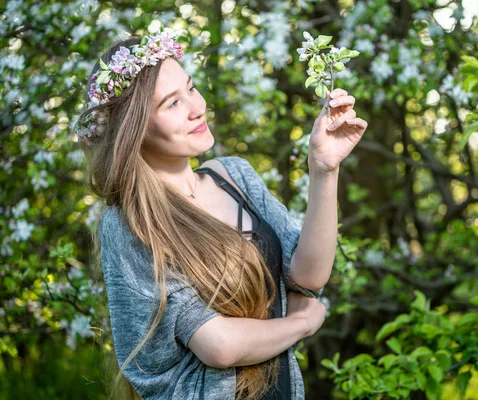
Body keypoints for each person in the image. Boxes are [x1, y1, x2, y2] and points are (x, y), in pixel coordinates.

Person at [77, 29, 368, 399]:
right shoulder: (129, 222)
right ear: (135, 130)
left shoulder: (234, 174)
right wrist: (302, 323)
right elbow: (219, 345)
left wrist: (324, 169)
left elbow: (307, 276)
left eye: (191, 88)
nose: (197, 107)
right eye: (171, 103)